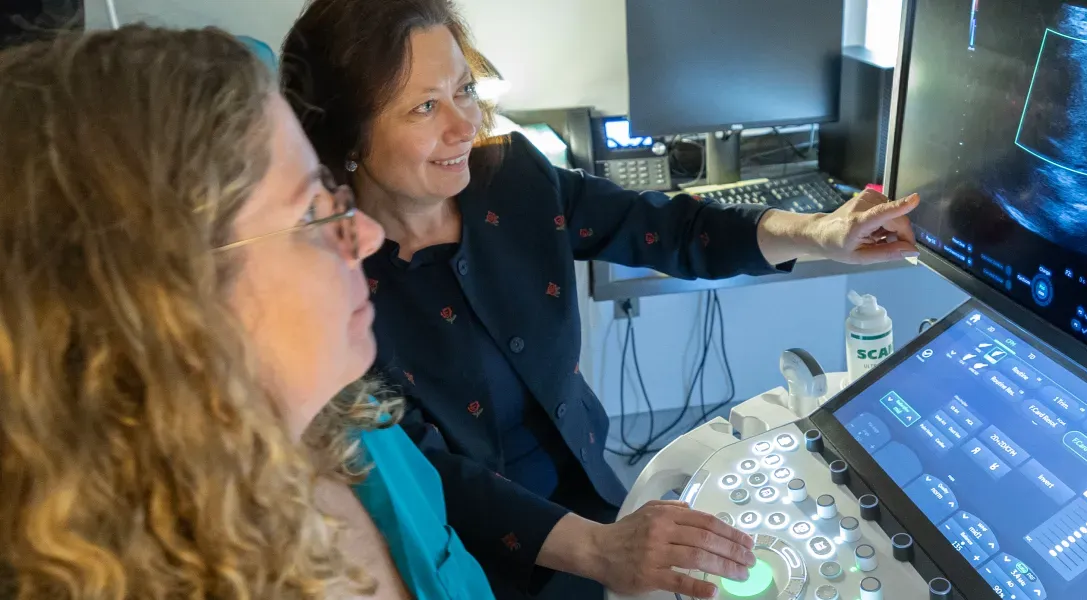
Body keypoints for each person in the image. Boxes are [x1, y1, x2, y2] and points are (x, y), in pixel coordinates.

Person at [280, 1, 918, 598]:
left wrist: (819, 233)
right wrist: (601, 551)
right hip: (466, 557)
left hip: (593, 499)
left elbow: (670, 228)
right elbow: (425, 472)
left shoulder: (512, 180)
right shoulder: (333, 288)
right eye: (424, 108)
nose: (465, 123)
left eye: (464, 90)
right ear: (350, 138)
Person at [0, 25, 534, 599]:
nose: (368, 236)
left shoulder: (358, 427)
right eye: (309, 214)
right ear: (157, 297)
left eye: (333, 195)